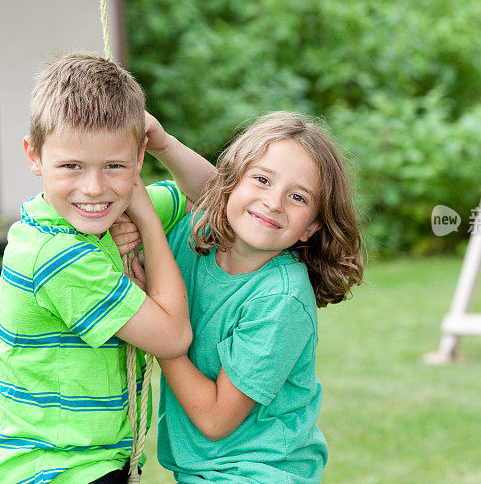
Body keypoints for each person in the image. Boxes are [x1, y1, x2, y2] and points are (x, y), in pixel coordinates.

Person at [0, 54, 195, 484]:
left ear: (138, 159)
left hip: (94, 464)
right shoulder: (56, 254)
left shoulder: (104, 212)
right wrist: (148, 223)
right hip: (56, 470)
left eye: (113, 165)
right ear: (34, 155)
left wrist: (166, 144)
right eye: (71, 166)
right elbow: (173, 337)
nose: (94, 188)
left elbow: (214, 198)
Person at [142, 111, 365, 484]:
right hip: (203, 472)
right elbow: (208, 188)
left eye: (297, 197)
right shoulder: (192, 238)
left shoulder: (281, 298)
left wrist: (159, 328)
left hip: (260, 473)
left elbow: (216, 419)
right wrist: (161, 143)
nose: (273, 202)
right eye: (261, 179)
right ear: (231, 183)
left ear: (311, 226)